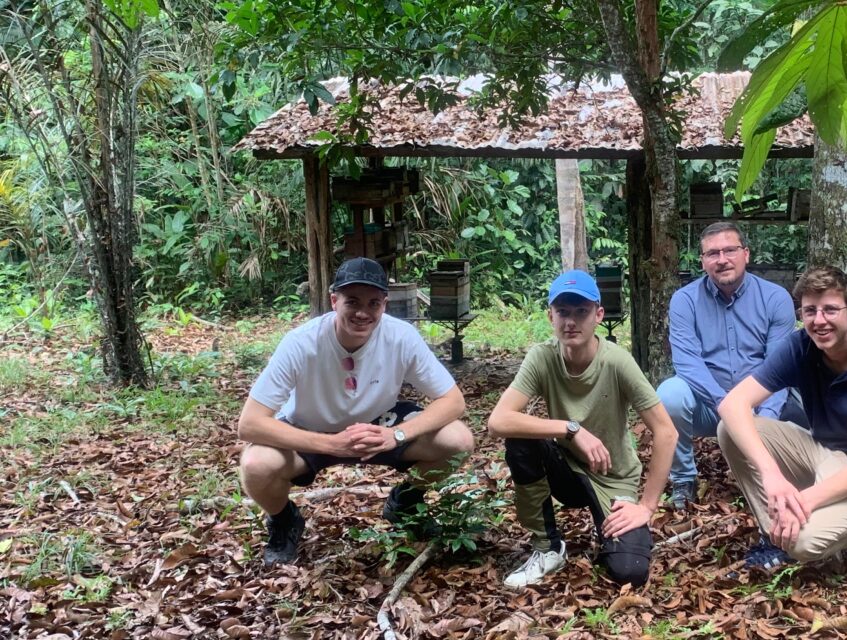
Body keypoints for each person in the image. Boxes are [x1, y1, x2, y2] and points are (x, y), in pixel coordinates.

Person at [238, 257, 475, 566]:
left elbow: (453, 401)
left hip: (380, 425)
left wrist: (396, 434)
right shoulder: (301, 343)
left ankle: (406, 501)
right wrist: (331, 444)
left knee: (458, 440)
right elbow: (250, 424)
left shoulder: (401, 337)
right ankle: (283, 520)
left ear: (384, 305)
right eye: (352, 301)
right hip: (309, 428)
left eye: (373, 303)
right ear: (334, 301)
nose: (363, 313)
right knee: (255, 464)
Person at [716, 265, 847, 571]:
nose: (819, 320)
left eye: (830, 310)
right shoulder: (800, 347)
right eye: (810, 311)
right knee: (729, 428)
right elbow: (732, 405)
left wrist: (804, 501)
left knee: (803, 543)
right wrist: (772, 476)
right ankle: (775, 533)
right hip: (823, 452)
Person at [487, 270, 677, 589]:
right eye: (563, 312)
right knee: (520, 438)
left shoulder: (617, 362)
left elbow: (666, 432)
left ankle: (613, 531)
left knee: (629, 570)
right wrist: (570, 428)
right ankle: (548, 548)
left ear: (598, 315)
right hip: (566, 468)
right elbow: (498, 421)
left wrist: (646, 507)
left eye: (581, 311)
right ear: (551, 316)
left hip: (612, 476)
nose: (571, 322)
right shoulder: (542, 358)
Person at [658, 222, 799, 510]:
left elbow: (780, 365)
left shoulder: (775, 298)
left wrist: (764, 420)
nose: (722, 260)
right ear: (702, 261)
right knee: (669, 395)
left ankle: (787, 470)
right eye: (712, 254)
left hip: (761, 403)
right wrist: (727, 406)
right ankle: (684, 479)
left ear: (746, 254)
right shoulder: (685, 301)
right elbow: (687, 363)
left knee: (807, 402)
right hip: (710, 406)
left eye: (730, 250)